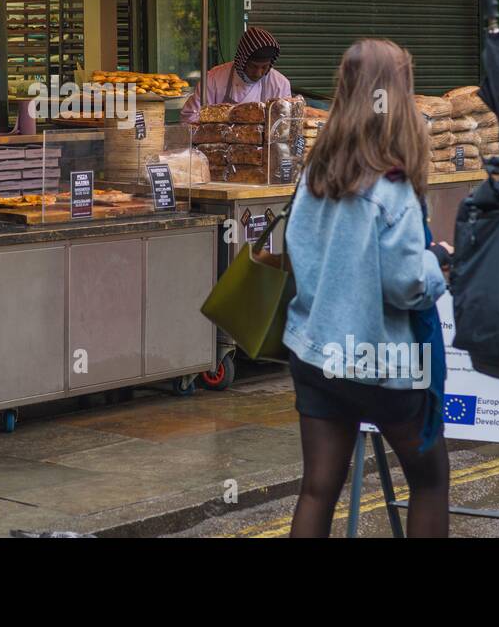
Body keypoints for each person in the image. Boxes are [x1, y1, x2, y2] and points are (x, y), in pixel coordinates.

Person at [282, 39, 451, 538]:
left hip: (315, 355)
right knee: (431, 481)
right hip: (383, 362)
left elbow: (302, 255)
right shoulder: (392, 186)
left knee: (317, 488)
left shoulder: (315, 173)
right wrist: (439, 261)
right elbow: (406, 286)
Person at [180, 26, 292, 122]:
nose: (258, 73)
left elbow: (285, 123)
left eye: (264, 67)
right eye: (253, 66)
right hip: (219, 144)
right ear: (242, 60)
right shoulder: (213, 79)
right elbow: (189, 118)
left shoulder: (280, 85)